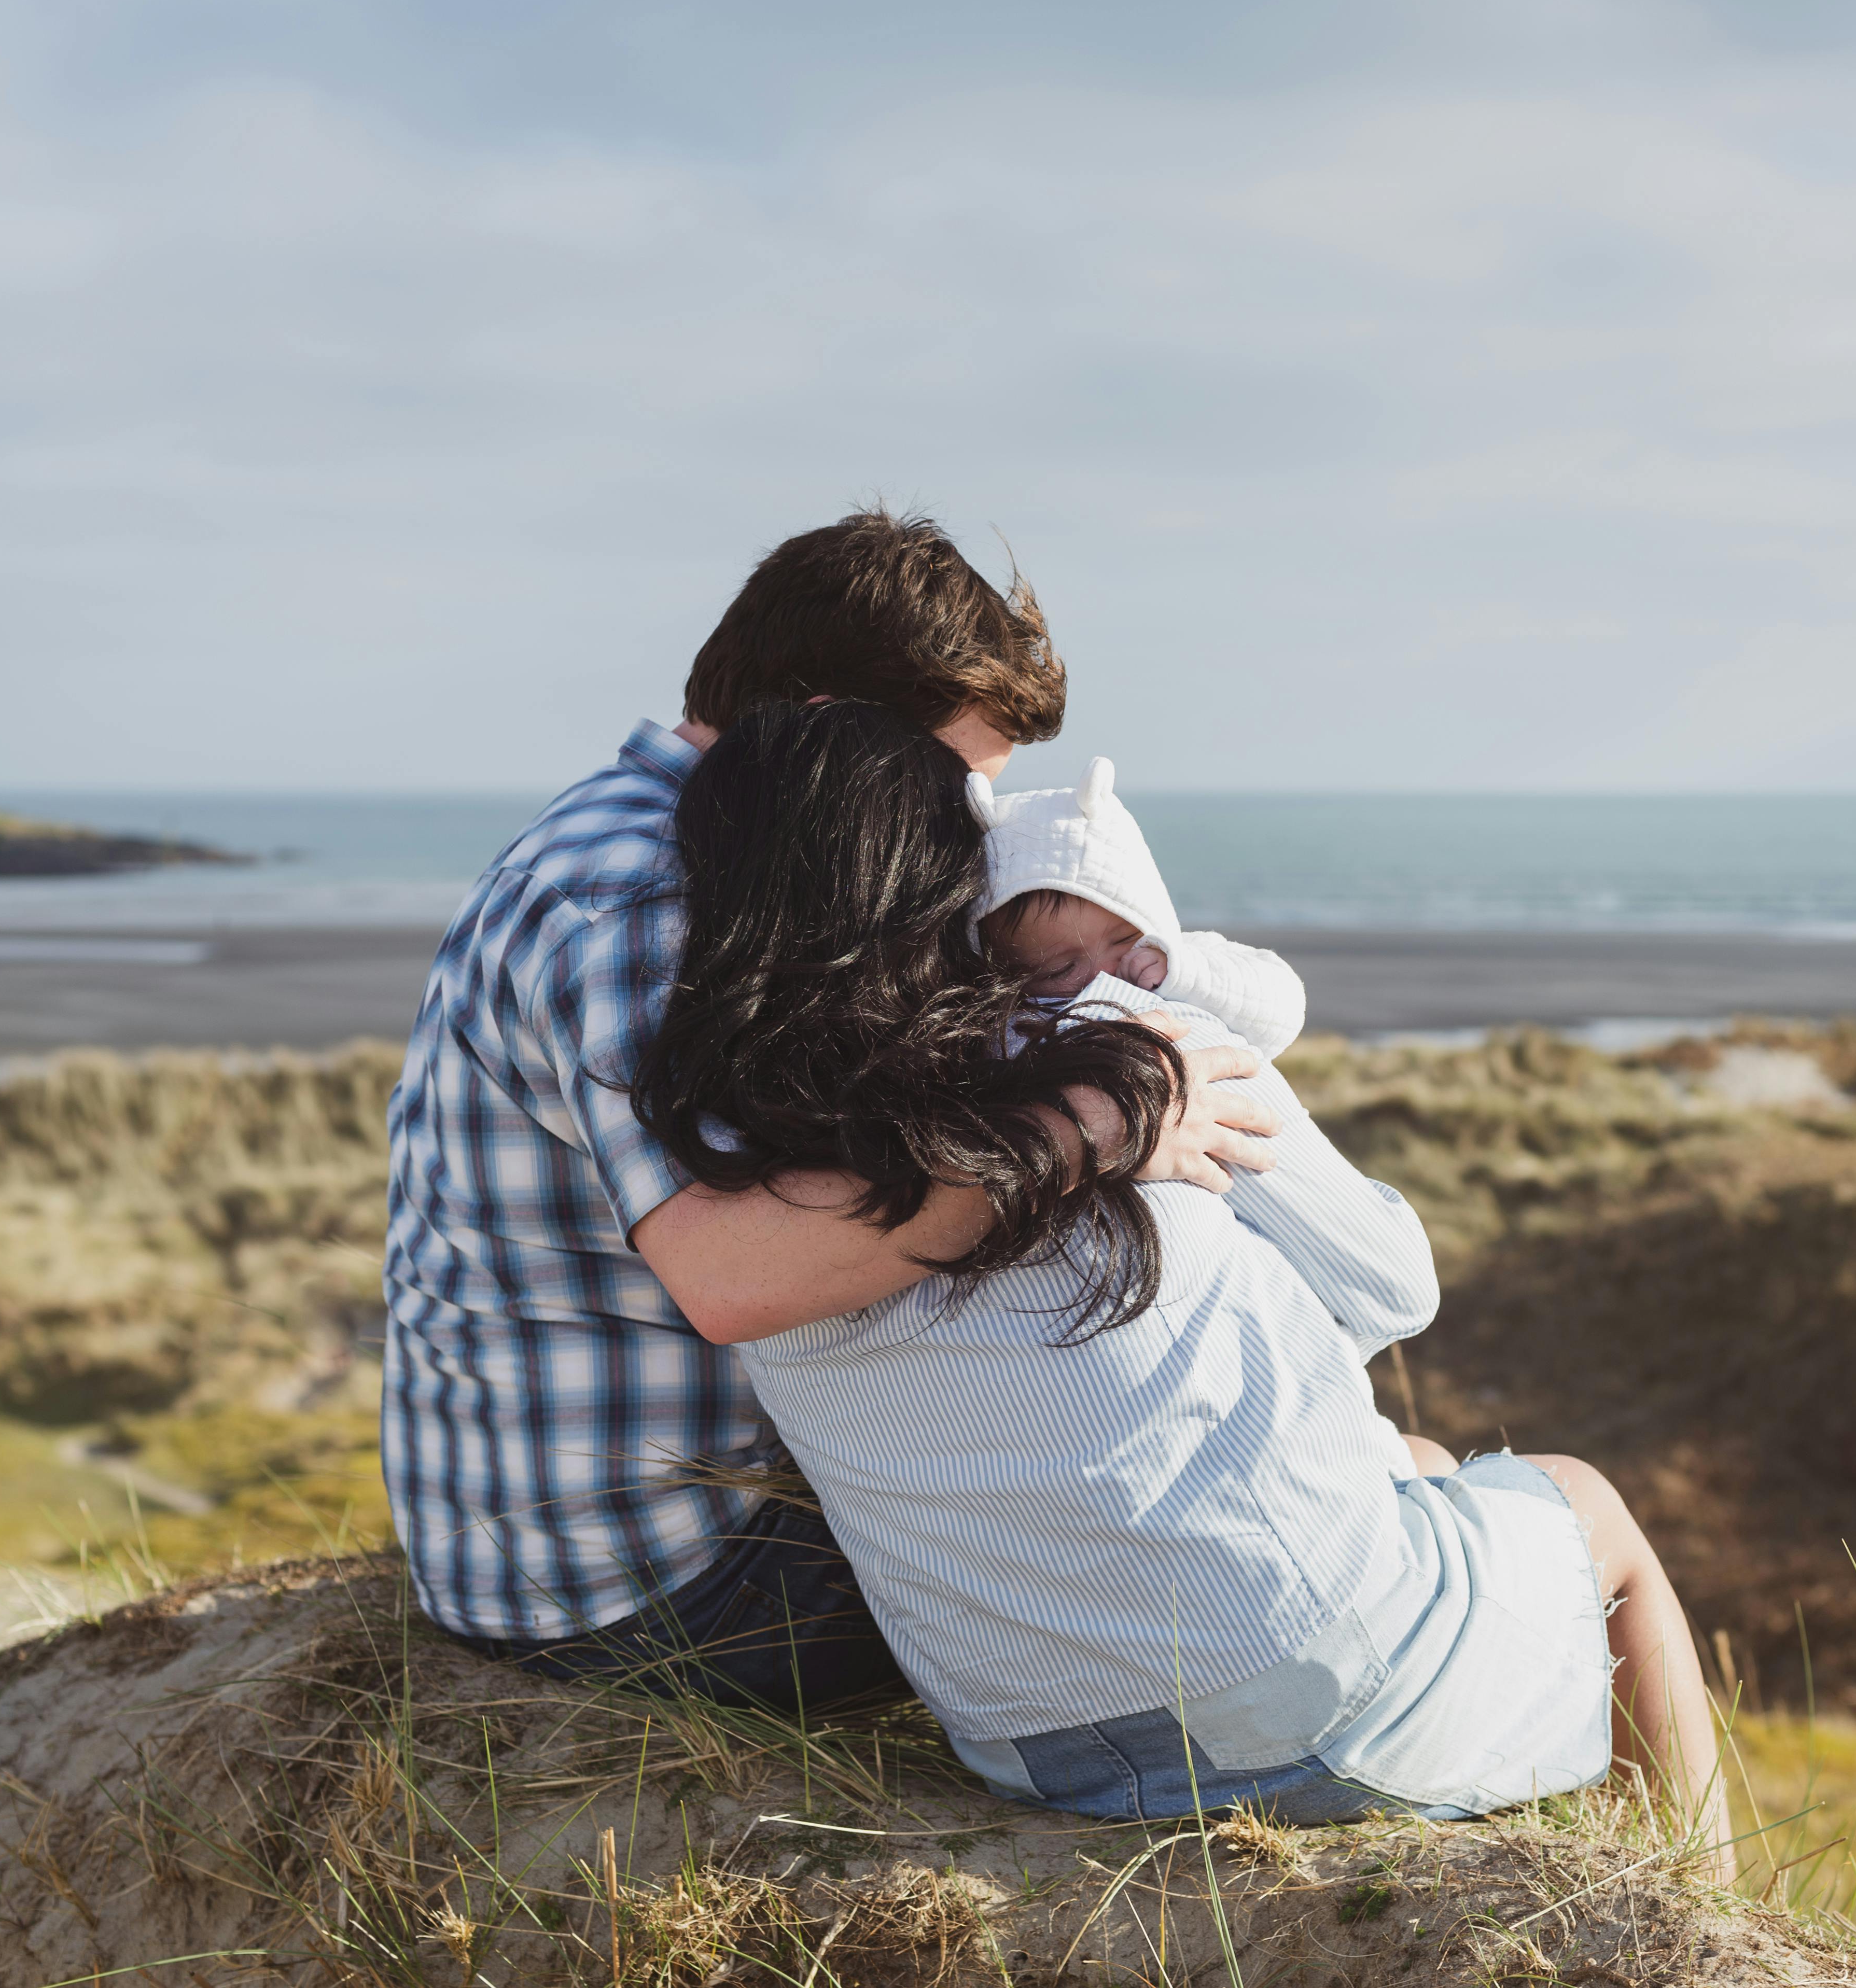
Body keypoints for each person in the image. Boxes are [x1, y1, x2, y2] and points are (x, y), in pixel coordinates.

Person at [650, 699, 1734, 1861]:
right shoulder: (1118, 1045)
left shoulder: (720, 1156)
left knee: (1415, 1471)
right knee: (1587, 1507)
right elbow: (1390, 1292)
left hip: (1029, 1742)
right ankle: (1714, 1910)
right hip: (1305, 1694)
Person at [380, 511, 1282, 1704]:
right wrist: (1086, 1130)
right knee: (1244, 1574)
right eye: (952, 784)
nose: (965, 829)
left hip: (581, 1548)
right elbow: (734, 1274)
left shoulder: (654, 846)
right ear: (827, 726)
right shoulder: (647, 892)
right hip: (664, 1583)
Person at [967, 755, 1308, 1057]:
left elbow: (1284, 1008)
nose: (1104, 974)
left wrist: (1186, 973)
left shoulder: (1188, 957)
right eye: (1061, 969)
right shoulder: (1018, 1026)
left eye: (1123, 939)